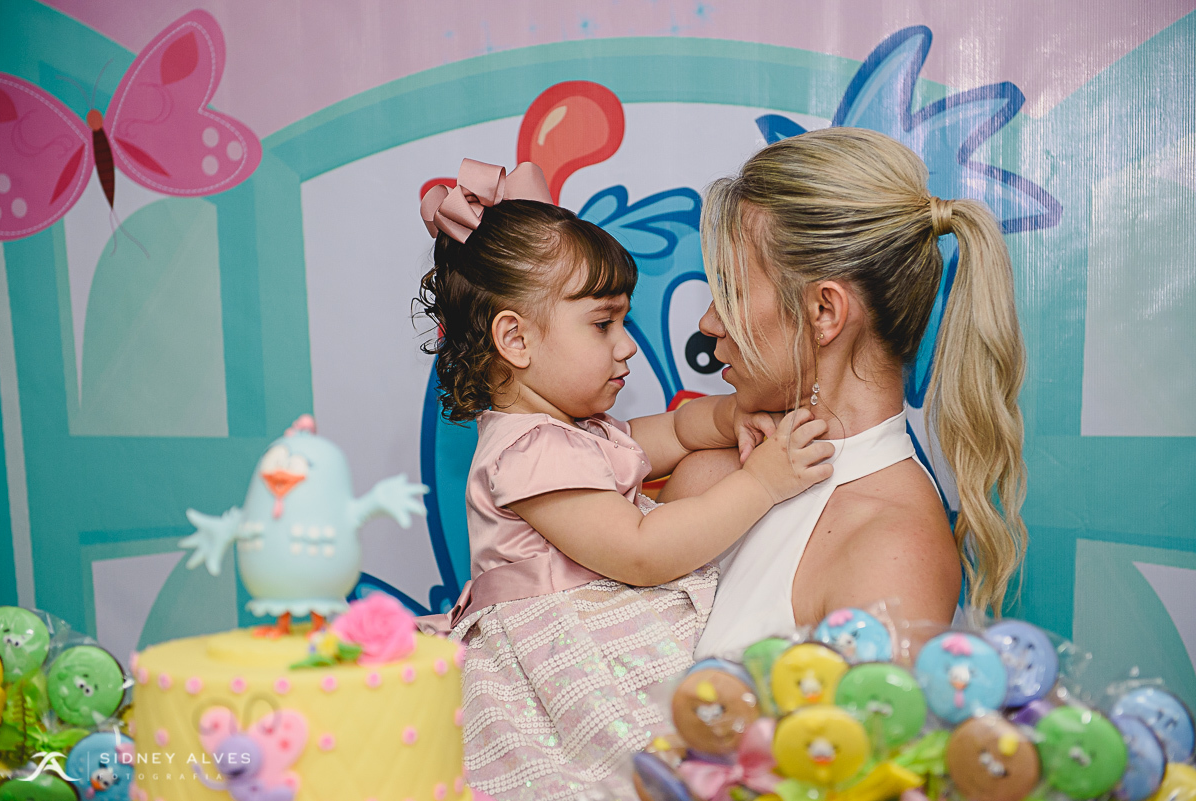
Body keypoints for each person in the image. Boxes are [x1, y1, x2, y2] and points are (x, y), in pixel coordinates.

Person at [413, 159, 833, 800]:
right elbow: (640, 552)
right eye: (603, 323)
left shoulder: (576, 432)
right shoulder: (527, 454)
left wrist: (731, 414)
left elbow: (669, 435)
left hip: (598, 647)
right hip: (561, 671)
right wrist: (764, 484)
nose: (627, 345)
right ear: (516, 340)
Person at [660, 128, 1028, 661]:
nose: (709, 321)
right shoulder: (707, 474)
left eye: (731, 292)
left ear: (824, 312)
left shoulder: (895, 554)